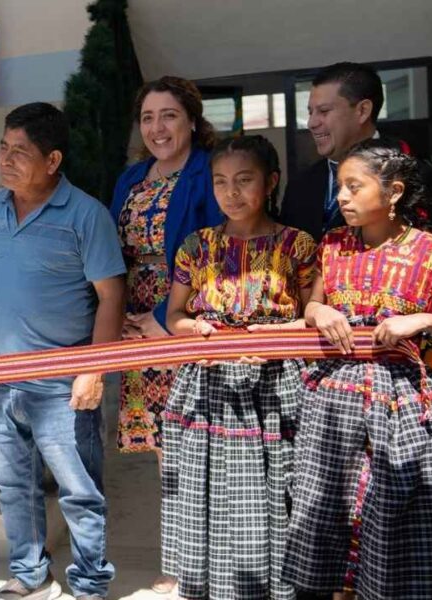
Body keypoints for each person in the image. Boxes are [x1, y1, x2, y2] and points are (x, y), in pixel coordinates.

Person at [283, 140, 432, 599]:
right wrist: (319, 313)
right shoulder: (332, 247)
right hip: (334, 403)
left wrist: (424, 319)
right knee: (332, 515)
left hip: (407, 401)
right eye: (340, 188)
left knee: (393, 517)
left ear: (392, 192)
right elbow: (314, 303)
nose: (343, 198)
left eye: (355, 186)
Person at [0, 102, 126, 600]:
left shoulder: (85, 215)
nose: (5, 160)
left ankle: (91, 583)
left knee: (79, 490)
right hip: (0, 378)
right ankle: (29, 574)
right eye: (3, 148)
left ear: (52, 161)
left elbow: (111, 295)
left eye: (20, 152)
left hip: (62, 381)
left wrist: (94, 370)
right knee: (13, 485)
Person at [161, 136, 316, 599]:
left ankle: (276, 587)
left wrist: (270, 341)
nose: (231, 193)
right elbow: (174, 317)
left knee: (275, 492)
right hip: (208, 386)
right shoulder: (197, 247)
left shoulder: (298, 246)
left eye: (244, 180)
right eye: (220, 182)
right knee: (208, 491)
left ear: (270, 183)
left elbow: (312, 320)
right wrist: (194, 331)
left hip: (276, 388)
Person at [109, 76, 222, 596]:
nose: (157, 127)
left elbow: (221, 253)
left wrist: (162, 314)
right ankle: (179, 564)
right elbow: (114, 255)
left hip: (184, 322)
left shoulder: (209, 173)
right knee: (165, 451)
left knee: (203, 448)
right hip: (138, 331)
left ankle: (216, 560)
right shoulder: (131, 178)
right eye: (148, 117)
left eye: (169, 115)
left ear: (192, 120)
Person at [279, 62, 432, 241]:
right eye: (310, 112)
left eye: (323, 111)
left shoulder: (415, 176)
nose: (312, 123)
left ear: (362, 110)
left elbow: (428, 256)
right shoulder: (300, 185)